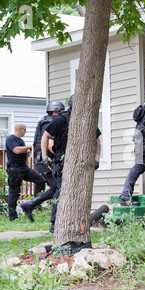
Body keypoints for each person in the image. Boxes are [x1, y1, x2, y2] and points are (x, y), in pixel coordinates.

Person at [41, 94, 101, 233]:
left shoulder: (87, 119)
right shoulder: (62, 119)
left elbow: (96, 141)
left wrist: (96, 158)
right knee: (61, 190)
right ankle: (55, 223)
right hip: (62, 159)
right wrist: (44, 155)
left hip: (82, 159)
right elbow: (46, 135)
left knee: (79, 191)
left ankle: (75, 222)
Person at [20, 101, 65, 219]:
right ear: (55, 111)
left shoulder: (44, 122)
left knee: (55, 187)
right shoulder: (50, 123)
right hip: (46, 161)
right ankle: (53, 221)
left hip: (41, 160)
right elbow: (50, 143)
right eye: (61, 111)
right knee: (57, 188)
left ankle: (30, 204)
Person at [5, 123, 46, 222]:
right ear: (19, 129)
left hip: (23, 168)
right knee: (14, 192)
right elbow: (16, 150)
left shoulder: (21, 141)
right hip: (14, 169)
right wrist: (28, 147)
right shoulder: (11, 139)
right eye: (25, 130)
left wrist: (28, 153)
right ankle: (12, 217)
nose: (25, 132)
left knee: (40, 180)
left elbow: (22, 153)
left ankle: (34, 203)